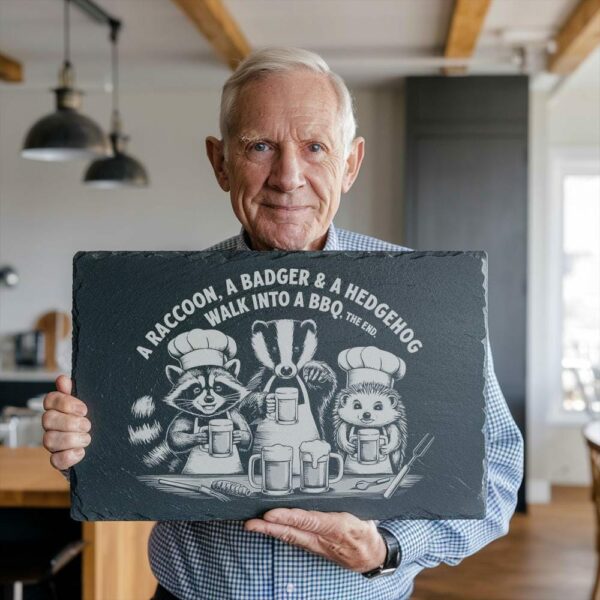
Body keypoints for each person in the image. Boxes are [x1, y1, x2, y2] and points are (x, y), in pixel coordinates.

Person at [41, 47, 524, 600]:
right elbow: (128, 451)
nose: (287, 177)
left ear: (350, 164)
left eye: (315, 147)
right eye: (260, 146)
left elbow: (497, 474)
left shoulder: (431, 299)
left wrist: (388, 546)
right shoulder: (159, 301)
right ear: (220, 162)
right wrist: (82, 443)